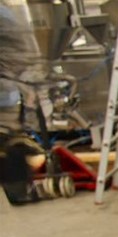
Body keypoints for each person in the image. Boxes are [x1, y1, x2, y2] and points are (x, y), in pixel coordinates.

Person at [1, 0, 46, 204]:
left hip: (6, 94)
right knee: (10, 144)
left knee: (9, 146)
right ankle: (19, 192)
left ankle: (19, 191)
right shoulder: (7, 12)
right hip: (10, 93)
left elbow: (20, 54)